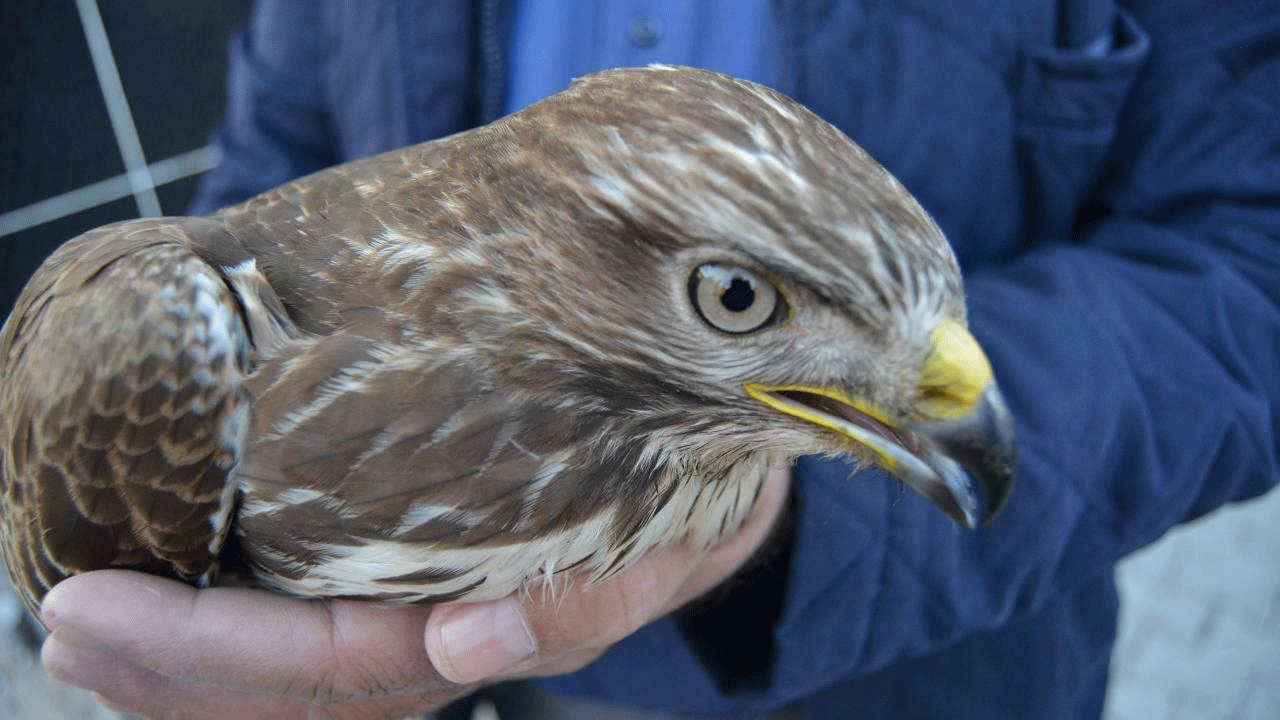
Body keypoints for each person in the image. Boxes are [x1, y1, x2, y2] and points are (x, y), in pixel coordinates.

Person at [35, 1, 1280, 718]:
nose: (963, 402)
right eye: (735, 298)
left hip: (932, 681)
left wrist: (787, 530)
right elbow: (275, 152)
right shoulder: (154, 341)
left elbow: (1252, 252)